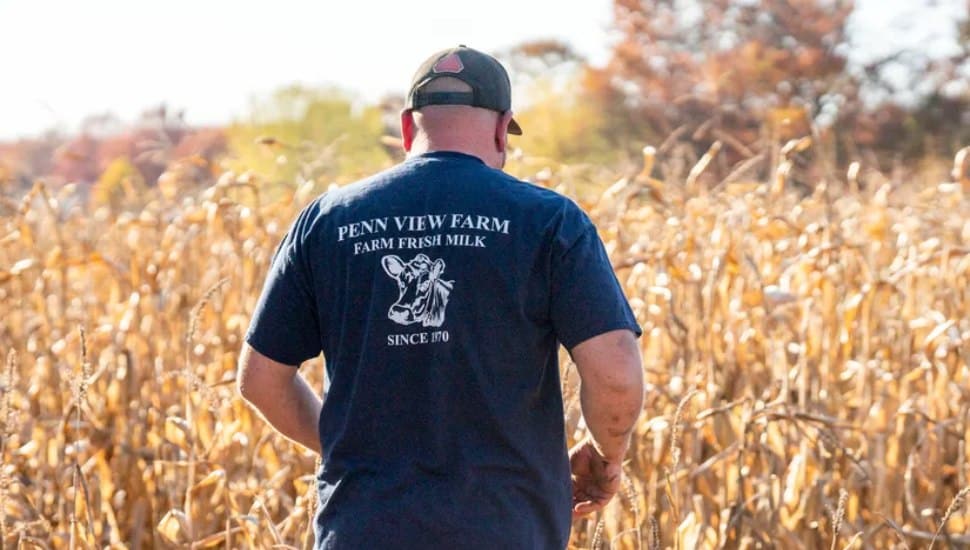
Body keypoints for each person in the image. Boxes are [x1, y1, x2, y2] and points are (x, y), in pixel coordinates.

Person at [237, 45, 644, 549]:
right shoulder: (549, 221)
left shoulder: (327, 222)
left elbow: (260, 380)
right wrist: (607, 455)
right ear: (502, 129)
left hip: (362, 531)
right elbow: (617, 376)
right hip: (507, 531)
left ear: (408, 129)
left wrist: (353, 449)